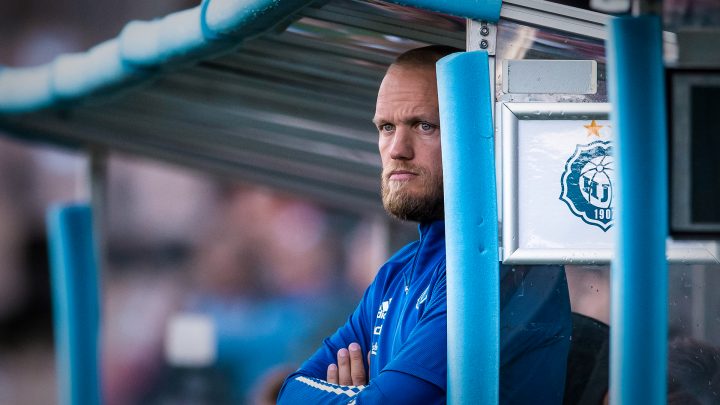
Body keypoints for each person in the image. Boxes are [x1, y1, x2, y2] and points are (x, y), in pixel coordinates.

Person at [277, 45, 572, 404]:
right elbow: (289, 391)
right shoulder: (397, 270)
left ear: (482, 133)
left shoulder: (500, 265)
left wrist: (360, 396)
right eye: (386, 127)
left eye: (424, 125)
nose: (397, 149)